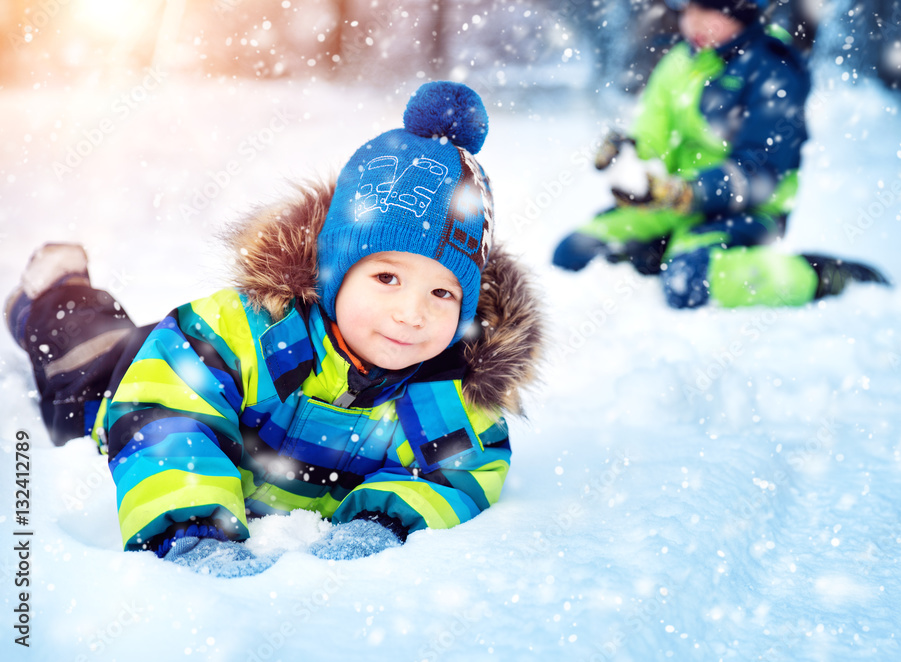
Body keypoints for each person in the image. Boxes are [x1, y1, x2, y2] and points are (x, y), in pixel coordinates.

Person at [4, 82, 543, 577]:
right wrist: (195, 533)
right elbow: (165, 414)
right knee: (75, 365)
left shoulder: (449, 390)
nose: (411, 313)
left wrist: (380, 526)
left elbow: (460, 473)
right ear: (334, 273)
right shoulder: (251, 330)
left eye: (442, 292)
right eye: (386, 277)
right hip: (140, 377)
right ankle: (55, 289)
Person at [553, 0, 889, 308]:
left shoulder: (773, 67)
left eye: (705, 11)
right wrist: (628, 155)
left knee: (688, 283)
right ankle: (666, 249)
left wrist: (692, 192)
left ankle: (818, 276)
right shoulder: (680, 62)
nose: (691, 22)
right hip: (672, 204)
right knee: (574, 252)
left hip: (745, 211)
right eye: (686, 11)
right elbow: (653, 137)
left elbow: (762, 171)